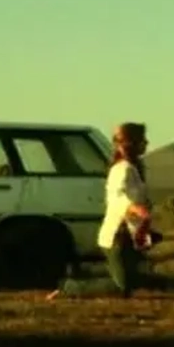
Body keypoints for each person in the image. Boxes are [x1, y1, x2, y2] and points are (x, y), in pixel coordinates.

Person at [49, 121, 154, 299]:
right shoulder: (122, 170)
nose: (146, 143)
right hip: (117, 234)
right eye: (142, 140)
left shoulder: (133, 169)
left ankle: (81, 274)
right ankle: (68, 287)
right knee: (122, 287)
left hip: (130, 234)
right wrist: (137, 210)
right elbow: (119, 197)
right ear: (132, 144)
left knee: (133, 278)